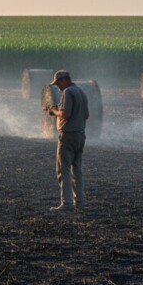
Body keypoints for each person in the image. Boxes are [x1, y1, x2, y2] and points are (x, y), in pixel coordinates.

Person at [45, 70, 89, 211]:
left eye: (58, 83)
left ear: (64, 80)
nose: (57, 86)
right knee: (77, 169)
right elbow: (86, 115)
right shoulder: (80, 91)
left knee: (63, 170)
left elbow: (65, 114)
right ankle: (80, 201)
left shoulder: (67, 92)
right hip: (80, 135)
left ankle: (67, 203)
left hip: (68, 136)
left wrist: (53, 112)